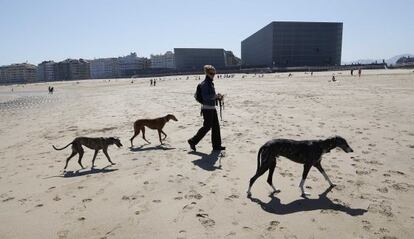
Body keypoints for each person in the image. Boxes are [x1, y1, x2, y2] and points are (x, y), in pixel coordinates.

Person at [188, 65, 225, 151]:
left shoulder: (210, 82)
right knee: (207, 127)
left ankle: (216, 146)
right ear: (207, 73)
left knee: (216, 127)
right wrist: (215, 96)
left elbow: (210, 96)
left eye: (214, 73)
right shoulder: (205, 84)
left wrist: (218, 97)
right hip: (207, 108)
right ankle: (192, 141)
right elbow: (206, 97)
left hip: (211, 107)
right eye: (211, 73)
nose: (213, 75)